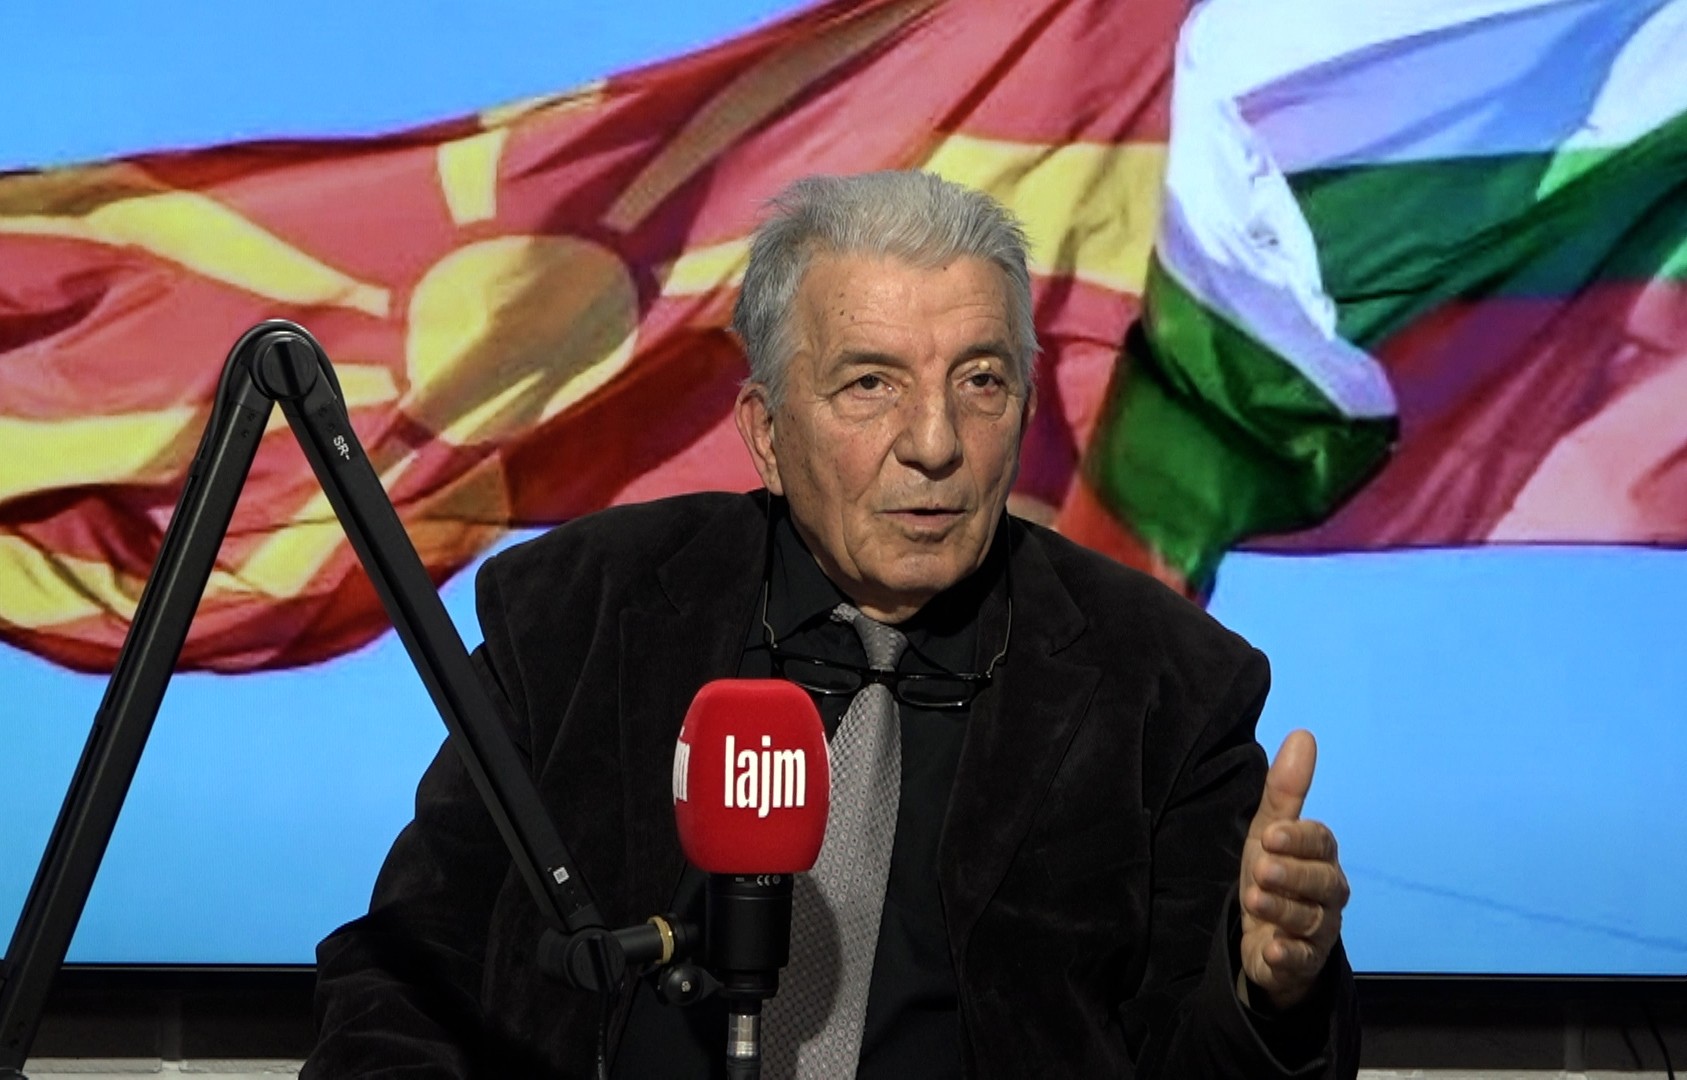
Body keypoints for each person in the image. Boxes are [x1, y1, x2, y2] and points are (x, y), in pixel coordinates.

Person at [306, 170, 1359, 1078]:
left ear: (1026, 412)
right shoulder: (581, 616)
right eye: (870, 384)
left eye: (980, 382)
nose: (934, 443)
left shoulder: (1165, 683)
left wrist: (1268, 991)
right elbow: (403, 975)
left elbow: (1202, 1057)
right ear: (766, 433)